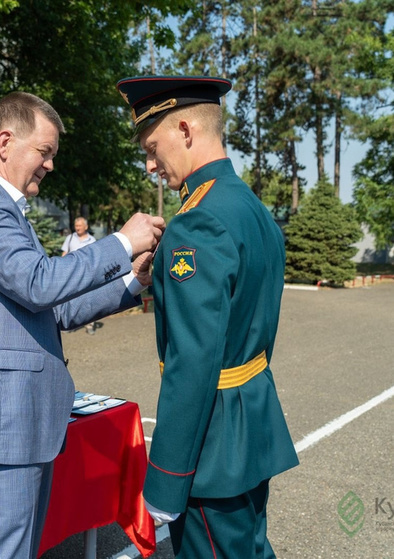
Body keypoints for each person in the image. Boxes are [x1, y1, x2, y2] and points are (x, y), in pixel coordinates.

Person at [0, 91, 165, 559]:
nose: (50, 165)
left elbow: (54, 309)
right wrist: (122, 241)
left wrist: (133, 283)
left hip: (16, 428)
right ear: (4, 142)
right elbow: (39, 283)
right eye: (45, 152)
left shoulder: (4, 210)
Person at [116, 75, 299, 557]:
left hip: (210, 451)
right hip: (249, 431)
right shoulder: (251, 209)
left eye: (153, 147)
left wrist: (166, 480)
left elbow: (192, 365)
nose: (151, 164)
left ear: (185, 129)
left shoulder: (196, 223)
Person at [61, 216, 98, 333]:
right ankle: (71, 324)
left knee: (88, 299)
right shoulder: (70, 238)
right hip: (72, 274)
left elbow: (95, 258)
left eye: (80, 226)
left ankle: (89, 325)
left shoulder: (92, 240)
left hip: (87, 274)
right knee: (71, 299)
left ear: (86, 227)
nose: (77, 228)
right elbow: (65, 253)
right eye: (76, 226)